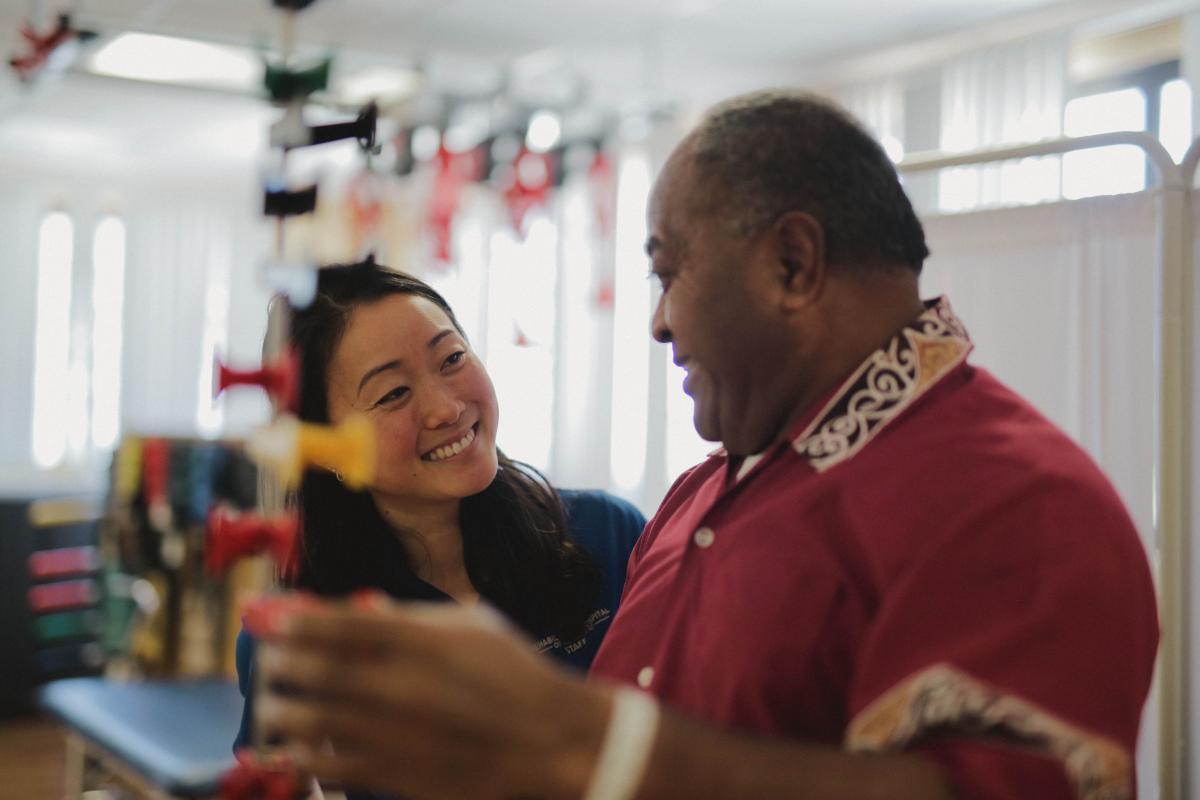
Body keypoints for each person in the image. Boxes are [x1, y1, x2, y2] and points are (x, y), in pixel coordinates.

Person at [251, 90, 1158, 800]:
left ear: (793, 265)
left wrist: (585, 743)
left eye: (668, 272)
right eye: (393, 391)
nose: (655, 321)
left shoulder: (1020, 504)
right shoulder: (700, 498)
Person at [233, 263, 646, 751]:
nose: (446, 408)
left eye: (451, 358)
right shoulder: (310, 629)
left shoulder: (610, 534)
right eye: (393, 394)